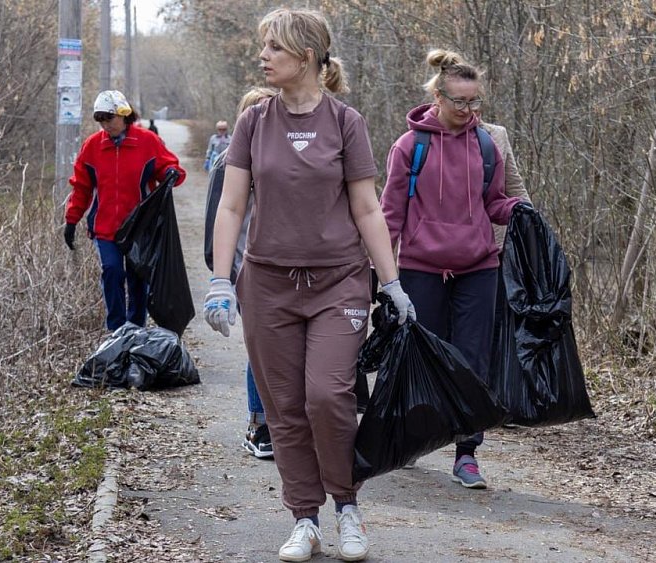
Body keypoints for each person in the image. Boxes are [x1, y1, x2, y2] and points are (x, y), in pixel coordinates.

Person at [202, 8, 415, 562]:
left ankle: (347, 506)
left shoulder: (345, 122)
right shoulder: (253, 123)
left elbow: (367, 208)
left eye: (274, 47)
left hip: (338, 282)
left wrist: (391, 283)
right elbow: (232, 206)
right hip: (267, 285)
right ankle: (305, 518)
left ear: (306, 55)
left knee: (328, 396)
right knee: (285, 408)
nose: (263, 56)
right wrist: (220, 281)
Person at [380, 49, 531, 490]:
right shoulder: (410, 146)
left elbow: (494, 203)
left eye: (474, 101)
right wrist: (380, 274)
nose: (469, 110)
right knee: (419, 357)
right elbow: (390, 214)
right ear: (438, 98)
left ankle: (467, 454)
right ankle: (412, 436)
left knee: (472, 361)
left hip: (478, 266)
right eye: (460, 101)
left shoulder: (486, 144)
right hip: (420, 266)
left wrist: (519, 211)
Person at [63, 90, 186, 331]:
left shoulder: (147, 141)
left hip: (140, 227)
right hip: (105, 227)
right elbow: (81, 187)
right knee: (112, 272)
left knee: (138, 279)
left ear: (124, 114)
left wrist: (171, 173)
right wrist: (71, 220)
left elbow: (170, 166)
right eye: (100, 120)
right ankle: (117, 330)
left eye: (109, 118)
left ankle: (135, 328)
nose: (105, 125)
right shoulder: (92, 146)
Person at [203, 86, 278, 459]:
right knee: (262, 349)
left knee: (284, 348)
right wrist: (223, 281)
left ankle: (287, 425)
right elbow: (216, 223)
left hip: (284, 269)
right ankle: (260, 424)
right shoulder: (227, 164)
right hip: (244, 269)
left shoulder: (285, 162)